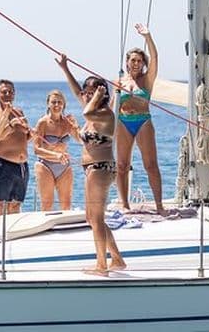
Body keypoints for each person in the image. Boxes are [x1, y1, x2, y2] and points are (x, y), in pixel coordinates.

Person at [57, 54, 126, 276]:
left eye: (92, 90)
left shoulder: (104, 114)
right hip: (91, 169)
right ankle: (117, 259)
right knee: (92, 217)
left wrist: (97, 95)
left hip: (101, 168)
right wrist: (65, 68)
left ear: (101, 92)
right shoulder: (91, 115)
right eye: (87, 89)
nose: (86, 93)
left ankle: (101, 265)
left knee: (96, 219)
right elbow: (78, 94)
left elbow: (87, 109)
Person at [115, 23, 165, 215]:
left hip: (143, 121)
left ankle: (159, 205)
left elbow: (156, 58)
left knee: (151, 165)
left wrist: (148, 37)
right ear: (127, 62)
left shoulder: (147, 80)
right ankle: (125, 204)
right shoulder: (119, 81)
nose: (136, 64)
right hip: (123, 122)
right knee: (121, 165)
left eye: (139, 61)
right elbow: (113, 106)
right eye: (133, 60)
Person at [0, 79, 31, 216]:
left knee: (16, 204)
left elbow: (26, 138)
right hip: (3, 165)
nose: (8, 94)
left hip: (21, 166)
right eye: (4, 92)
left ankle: (11, 235)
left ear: (14, 94)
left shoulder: (19, 112)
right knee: (0, 205)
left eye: (10, 92)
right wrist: (8, 121)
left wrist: (31, 132)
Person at [33, 90, 80, 211]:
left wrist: (76, 125)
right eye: (53, 102)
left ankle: (64, 229)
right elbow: (36, 149)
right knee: (47, 204)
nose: (57, 105)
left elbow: (80, 140)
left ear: (64, 104)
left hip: (64, 166)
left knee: (66, 204)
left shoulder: (67, 122)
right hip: (45, 166)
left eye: (60, 102)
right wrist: (55, 155)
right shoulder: (42, 122)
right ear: (48, 104)